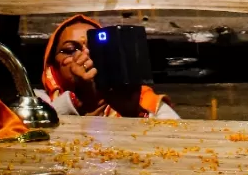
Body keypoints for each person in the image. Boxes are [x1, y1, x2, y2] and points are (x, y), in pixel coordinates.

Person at [41, 16, 179, 119]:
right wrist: (79, 100)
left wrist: (132, 113)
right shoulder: (37, 102)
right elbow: (28, 134)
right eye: (71, 50)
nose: (85, 55)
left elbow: (178, 144)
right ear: (52, 65)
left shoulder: (142, 99)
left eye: (93, 48)